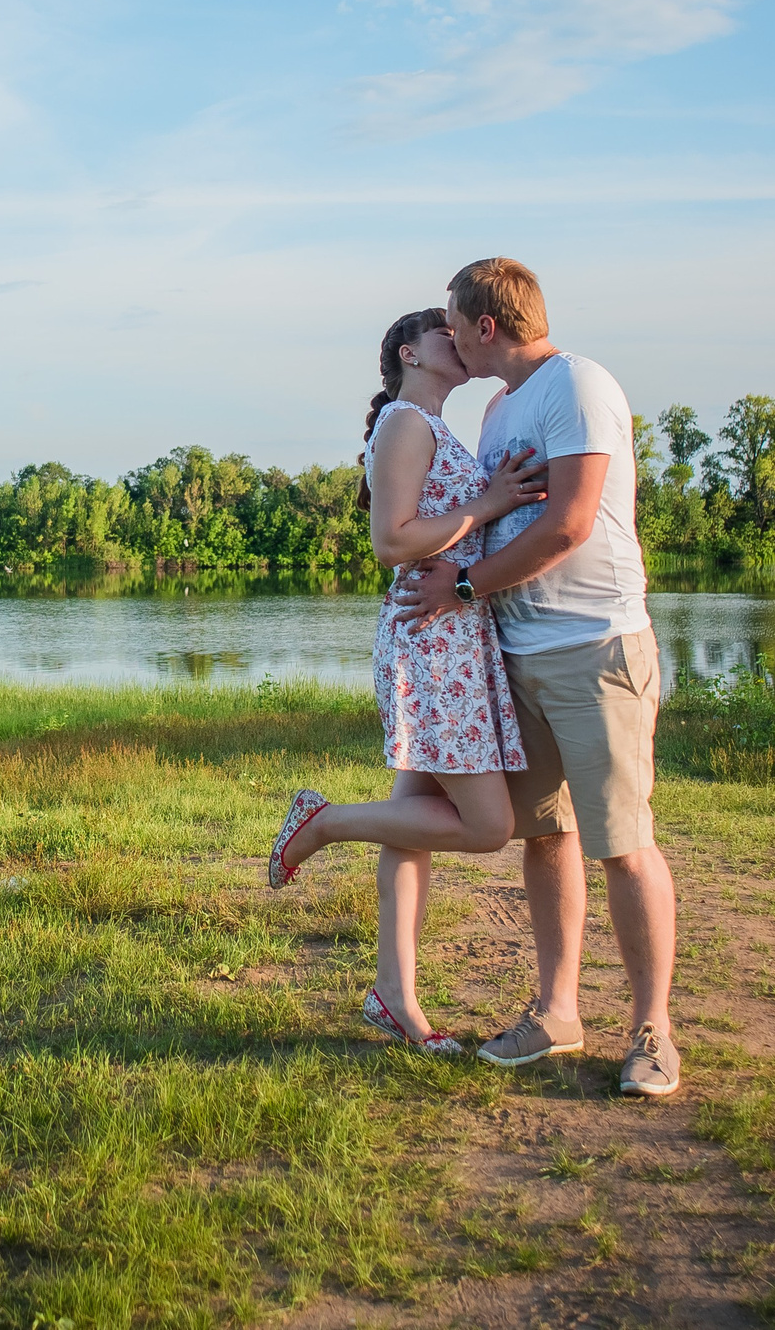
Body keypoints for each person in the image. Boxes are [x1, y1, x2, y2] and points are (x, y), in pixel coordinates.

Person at [391, 257, 681, 1099]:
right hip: (519, 655)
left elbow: (570, 522)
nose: (447, 334)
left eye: (454, 321)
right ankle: (557, 1011)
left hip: (595, 650)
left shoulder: (578, 385)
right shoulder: (498, 409)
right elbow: (493, 515)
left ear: (486, 327)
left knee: (622, 844)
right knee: (546, 835)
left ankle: (653, 1030)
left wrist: (467, 587)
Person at [264, 306, 546, 1054]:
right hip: (432, 645)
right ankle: (321, 821)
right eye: (444, 334)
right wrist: (487, 503)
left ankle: (395, 997)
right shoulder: (404, 422)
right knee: (489, 826)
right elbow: (391, 541)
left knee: (413, 826)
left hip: (452, 636)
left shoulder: (429, 422)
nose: (460, 343)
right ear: (408, 352)